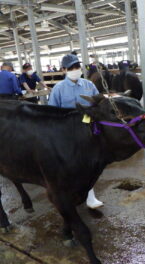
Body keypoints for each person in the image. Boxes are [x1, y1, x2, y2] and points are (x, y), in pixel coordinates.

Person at [48, 54, 104, 209]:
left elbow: (98, 104)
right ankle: (71, 194)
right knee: (70, 164)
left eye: (77, 67)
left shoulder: (88, 85)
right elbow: (52, 113)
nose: (75, 70)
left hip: (87, 129)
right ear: (64, 70)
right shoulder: (58, 89)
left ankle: (90, 196)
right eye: (71, 68)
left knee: (89, 163)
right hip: (67, 132)